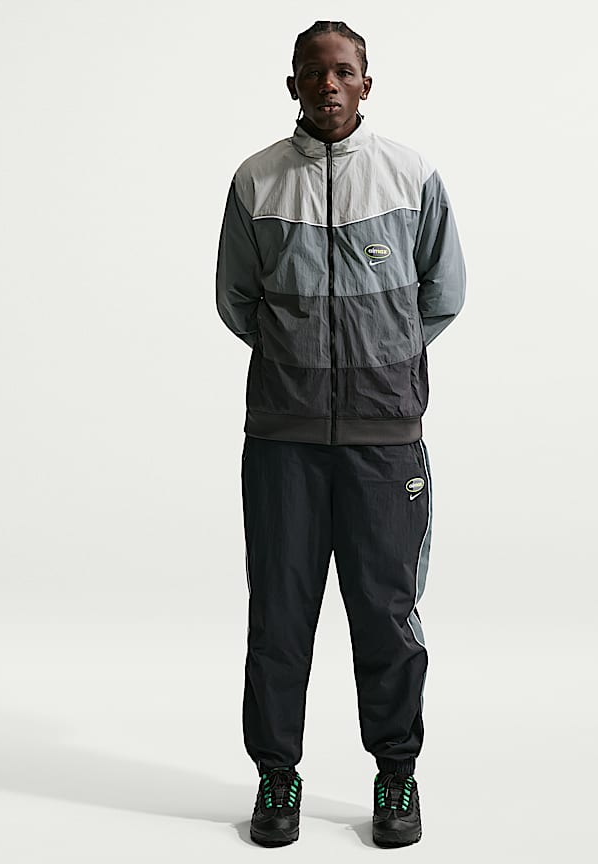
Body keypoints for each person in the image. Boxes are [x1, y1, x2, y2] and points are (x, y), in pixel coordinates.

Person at [215, 20, 466, 848]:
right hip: (281, 440)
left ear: (366, 83)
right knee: (279, 616)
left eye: (344, 71)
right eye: (313, 72)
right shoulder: (256, 181)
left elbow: (443, 293)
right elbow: (236, 300)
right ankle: (276, 774)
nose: (329, 84)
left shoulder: (410, 176)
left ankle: (396, 775)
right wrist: (297, 359)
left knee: (386, 614)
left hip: (385, 442)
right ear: (292, 84)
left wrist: (383, 359)